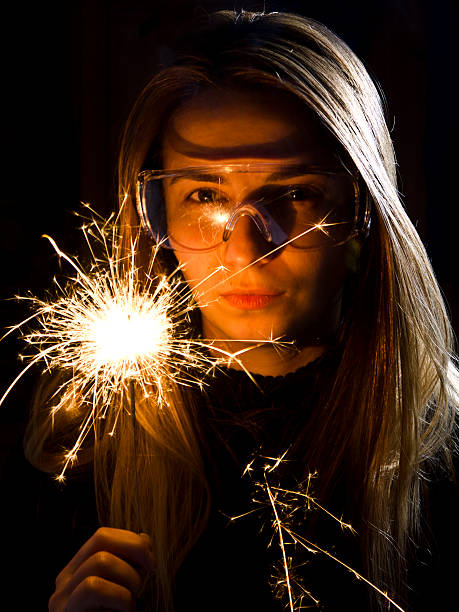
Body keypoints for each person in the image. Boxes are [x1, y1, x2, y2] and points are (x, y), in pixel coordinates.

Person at [22, 9, 458, 612]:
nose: (247, 248)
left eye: (296, 193)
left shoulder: (442, 445)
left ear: (362, 209)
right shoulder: (78, 451)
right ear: (157, 213)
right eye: (205, 194)